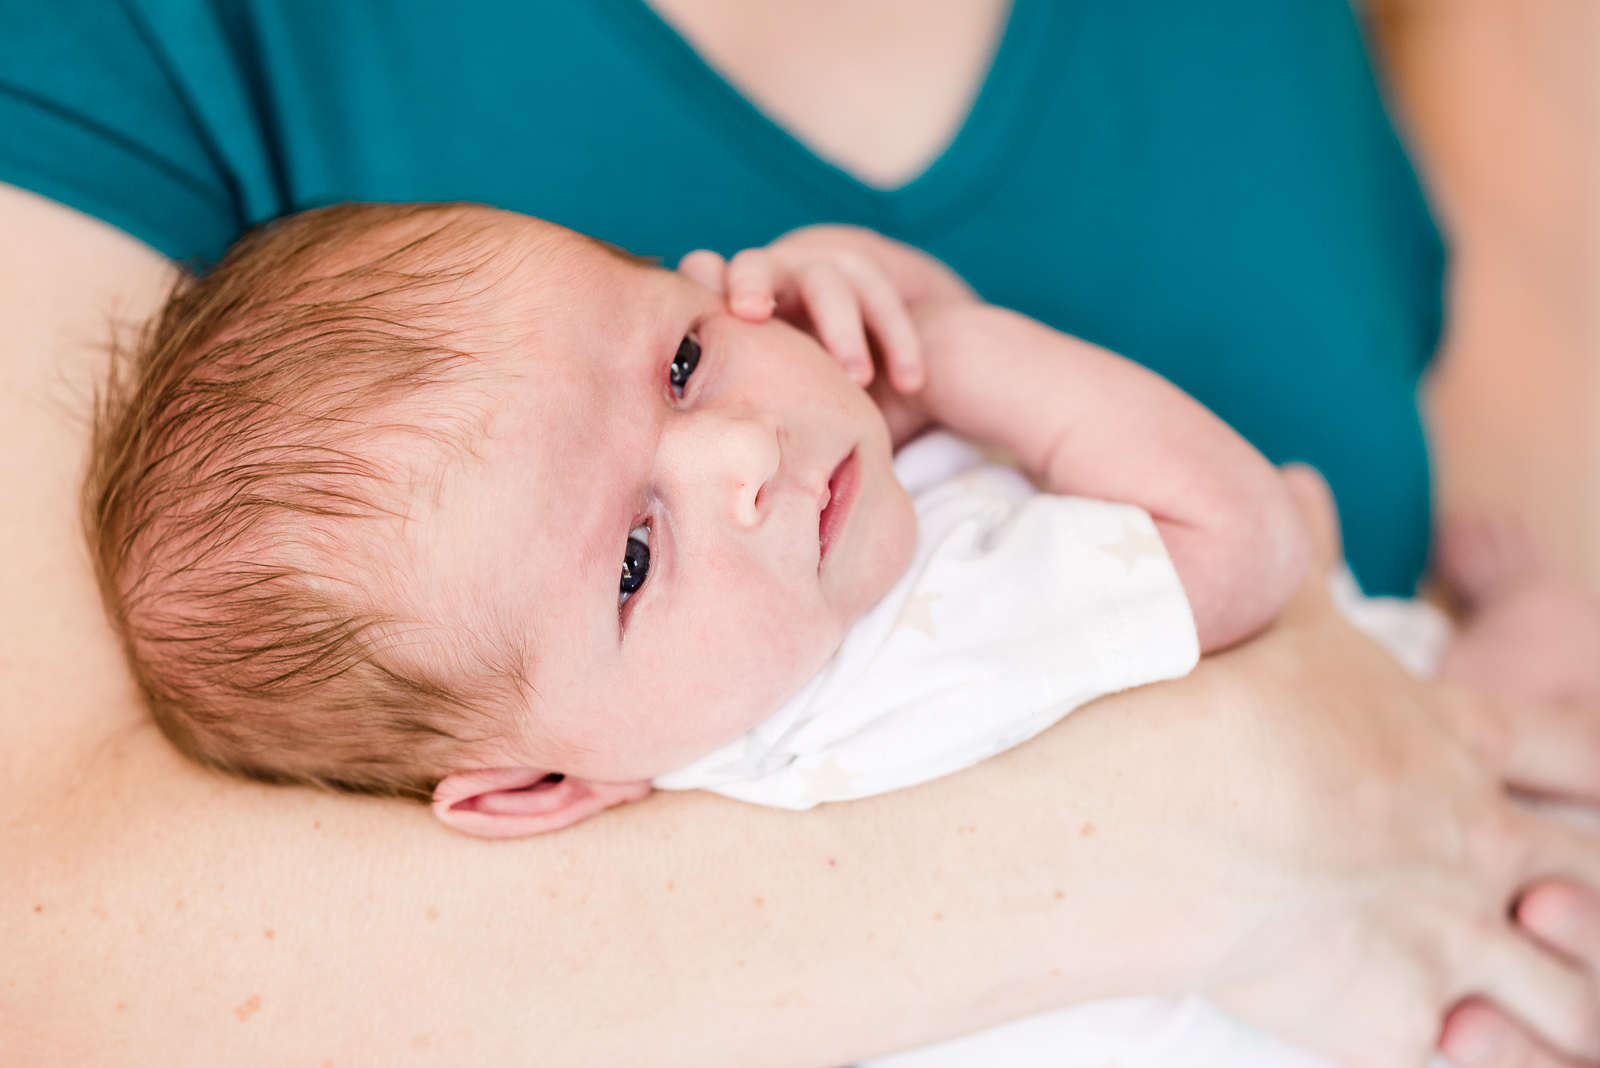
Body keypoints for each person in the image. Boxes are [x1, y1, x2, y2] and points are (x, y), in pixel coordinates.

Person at [4, 2, 1599, 1065]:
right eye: (633, 554)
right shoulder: (924, 649)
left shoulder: (685, 724)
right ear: (533, 789)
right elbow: (1242, 544)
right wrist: (956, 349)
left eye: (686, 359)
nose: (743, 460)